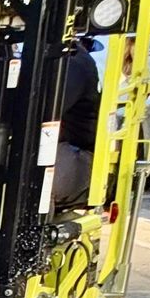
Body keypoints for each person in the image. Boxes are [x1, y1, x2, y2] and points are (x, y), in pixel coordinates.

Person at [53, 35, 102, 209]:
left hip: (75, 152)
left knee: (35, 177)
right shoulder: (60, 59)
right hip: (64, 146)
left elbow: (47, 110)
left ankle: (33, 227)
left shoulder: (75, 63)